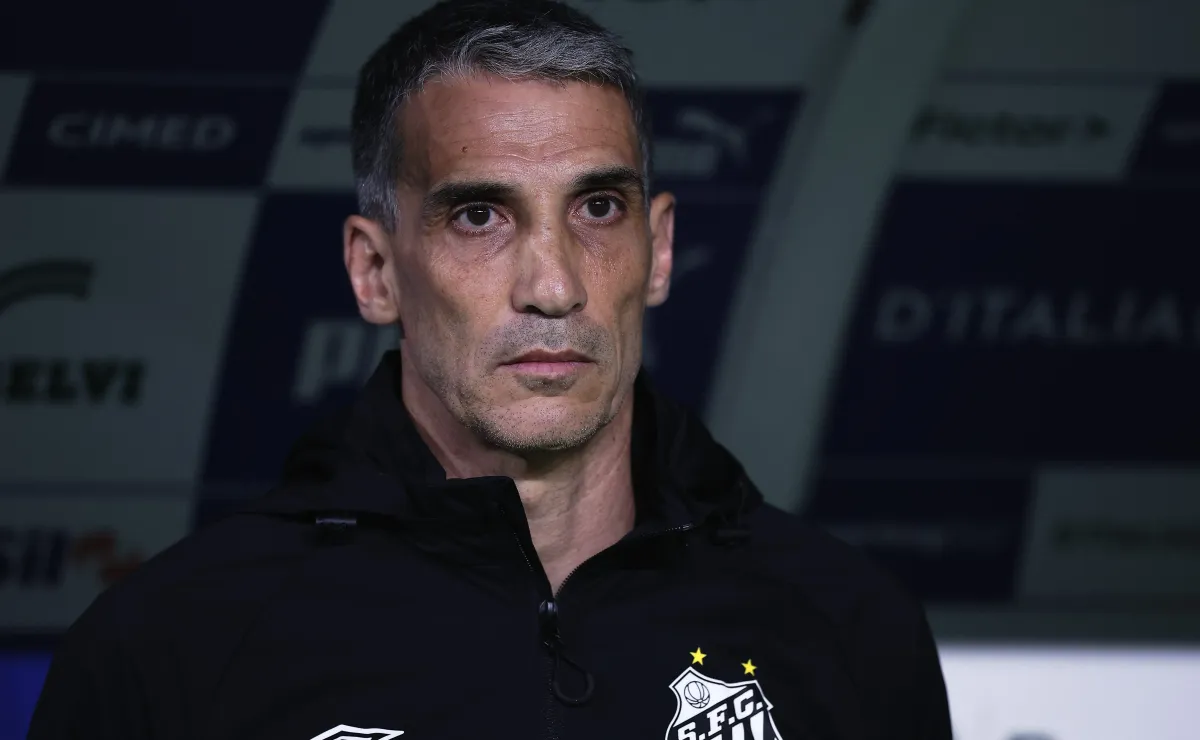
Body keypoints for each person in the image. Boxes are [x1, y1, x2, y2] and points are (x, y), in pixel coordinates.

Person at [29, 1, 951, 738]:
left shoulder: (848, 628)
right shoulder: (172, 647)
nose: (553, 287)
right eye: (479, 216)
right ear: (375, 271)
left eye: (598, 207)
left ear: (660, 250)